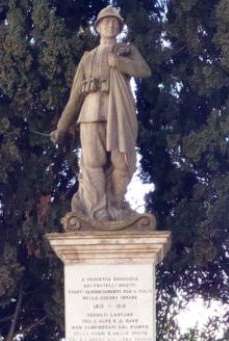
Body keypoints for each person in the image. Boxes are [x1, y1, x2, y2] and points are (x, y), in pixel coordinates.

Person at [50, 6, 151, 222]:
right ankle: (98, 211)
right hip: (90, 112)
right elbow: (75, 96)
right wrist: (61, 127)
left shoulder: (126, 50)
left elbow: (144, 70)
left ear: (119, 27)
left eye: (114, 22)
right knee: (92, 162)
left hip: (119, 111)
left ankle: (116, 204)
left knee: (123, 162)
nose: (110, 25)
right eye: (106, 22)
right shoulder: (88, 58)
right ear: (98, 27)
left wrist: (121, 64)